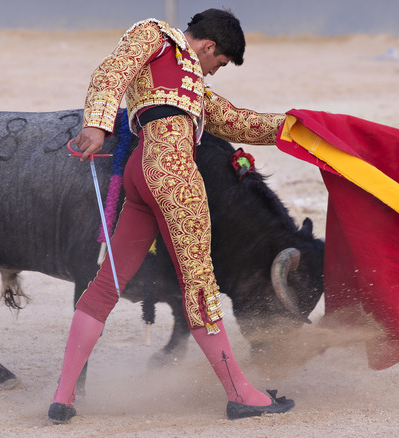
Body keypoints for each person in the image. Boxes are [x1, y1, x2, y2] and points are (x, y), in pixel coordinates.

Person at [49, 8, 293, 423]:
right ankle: (241, 396)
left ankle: (63, 397)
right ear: (209, 45)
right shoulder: (156, 34)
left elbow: (239, 123)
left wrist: (300, 128)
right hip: (173, 170)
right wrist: (96, 124)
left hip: (141, 170)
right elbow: (113, 70)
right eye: (219, 63)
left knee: (107, 283)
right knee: (199, 285)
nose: (215, 72)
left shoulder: (191, 83)